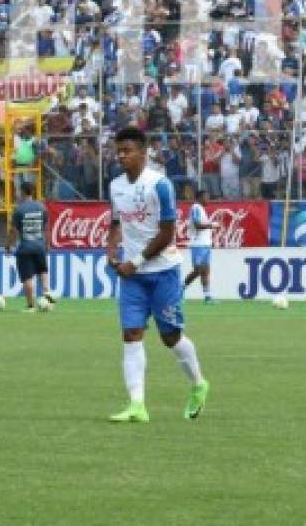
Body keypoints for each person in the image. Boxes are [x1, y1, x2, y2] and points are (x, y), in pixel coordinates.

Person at [106, 126, 209, 423]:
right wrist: (112, 250)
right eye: (119, 151)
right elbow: (115, 223)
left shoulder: (160, 185)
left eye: (127, 151)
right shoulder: (116, 186)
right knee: (131, 335)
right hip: (133, 277)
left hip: (163, 271)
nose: (121, 156)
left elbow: (167, 234)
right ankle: (137, 405)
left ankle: (198, 384)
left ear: (143, 152)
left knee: (170, 337)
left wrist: (134, 261)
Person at [8, 182, 53, 312]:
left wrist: (8, 245)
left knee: (27, 277)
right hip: (40, 246)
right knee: (42, 270)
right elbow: (46, 228)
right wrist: (48, 244)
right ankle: (46, 290)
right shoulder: (42, 207)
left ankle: (31, 306)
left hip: (25, 247)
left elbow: (14, 231)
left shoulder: (19, 209)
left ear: (22, 192)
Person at [182, 186, 215, 304]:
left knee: (205, 270)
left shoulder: (201, 209)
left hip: (205, 244)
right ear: (200, 198)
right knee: (198, 270)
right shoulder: (196, 207)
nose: (208, 199)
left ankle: (207, 296)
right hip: (198, 244)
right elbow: (196, 225)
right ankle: (180, 289)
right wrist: (211, 225)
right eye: (206, 197)